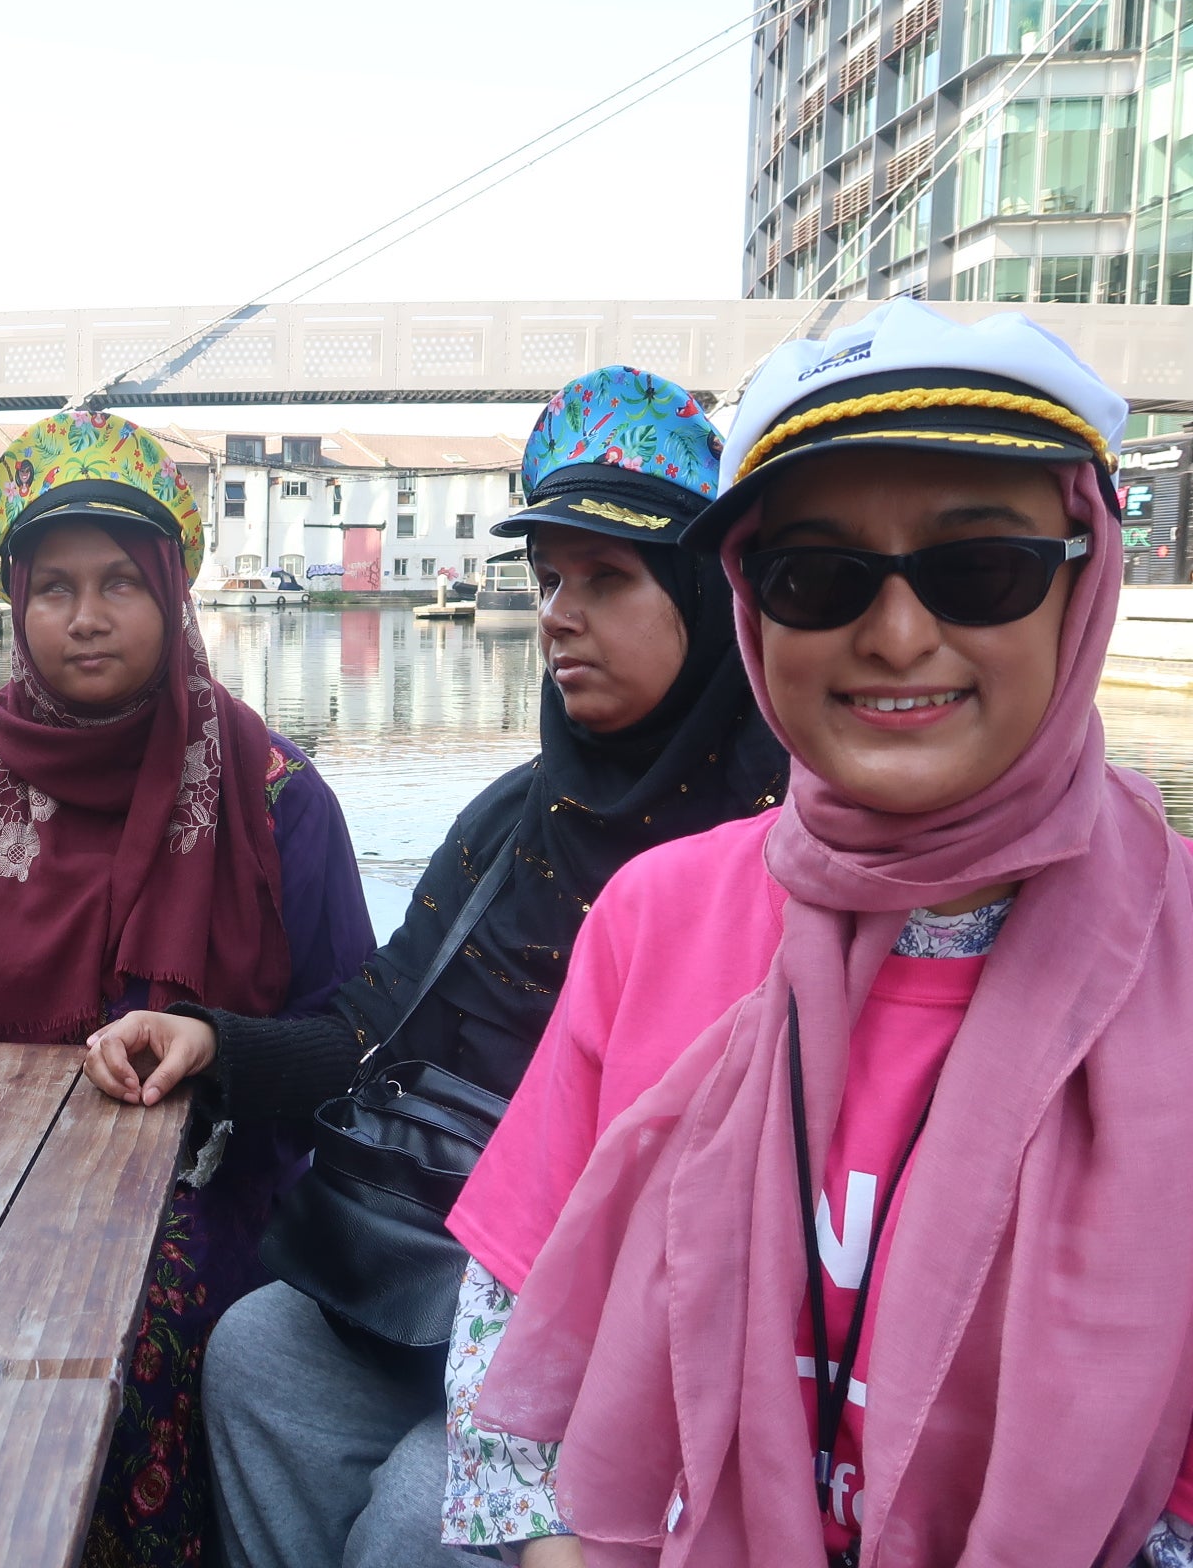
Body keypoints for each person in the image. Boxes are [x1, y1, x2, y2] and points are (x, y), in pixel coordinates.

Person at [444, 300, 1193, 1565]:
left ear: (1085, 578)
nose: (898, 634)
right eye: (817, 577)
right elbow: (509, 1339)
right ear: (752, 607)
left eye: (980, 570)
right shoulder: (654, 917)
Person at [80, 369, 788, 1568]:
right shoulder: (516, 820)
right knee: (256, 1356)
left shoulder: (777, 850)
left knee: (423, 1502)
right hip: (434, 1285)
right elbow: (376, 1024)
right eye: (551, 577)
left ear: (709, 600)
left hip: (644, 1339)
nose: (559, 613)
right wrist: (218, 1041)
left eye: (607, 579)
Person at [0, 409, 374, 1568]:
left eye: (121, 581)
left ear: (172, 590)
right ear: (15, 600)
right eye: (56, 585)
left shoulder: (277, 800)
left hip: (211, 1192)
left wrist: (215, 1041)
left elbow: (354, 1044)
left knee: (141, 1342)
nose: (85, 616)